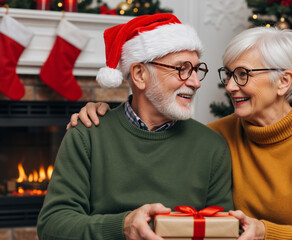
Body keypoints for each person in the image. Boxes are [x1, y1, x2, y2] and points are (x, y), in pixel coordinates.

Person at [69, 27, 292, 239]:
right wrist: (104, 114)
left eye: (243, 75)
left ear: (283, 82)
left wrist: (265, 233)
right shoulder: (217, 135)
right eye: (228, 74)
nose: (230, 86)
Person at [37, 13, 234, 240]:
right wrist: (123, 226)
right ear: (140, 75)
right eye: (181, 69)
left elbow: (224, 230)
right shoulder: (87, 134)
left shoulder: (211, 147)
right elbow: (52, 226)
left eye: (197, 70)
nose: (195, 82)